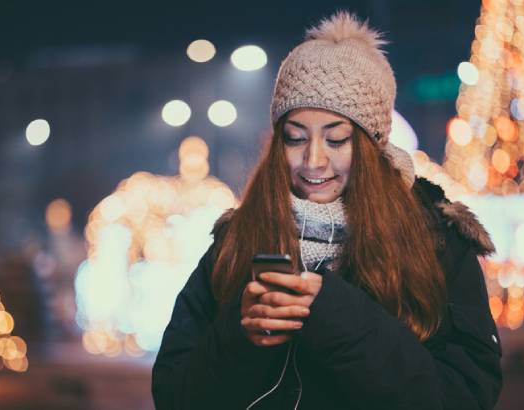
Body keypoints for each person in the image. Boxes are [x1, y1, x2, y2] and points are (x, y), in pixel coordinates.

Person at [152, 11, 502, 410]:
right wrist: (240, 333)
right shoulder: (234, 241)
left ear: (372, 148)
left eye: (336, 140)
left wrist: (336, 314)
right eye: (295, 138)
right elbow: (174, 395)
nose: (313, 161)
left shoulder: (436, 241)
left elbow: (466, 395)